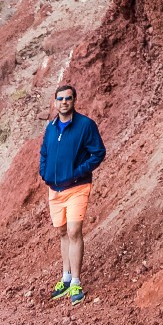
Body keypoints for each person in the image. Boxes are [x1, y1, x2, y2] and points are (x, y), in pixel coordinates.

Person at [38, 82, 105, 304]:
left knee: (75, 231)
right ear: (55, 102)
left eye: (68, 98)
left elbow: (98, 153)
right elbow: (44, 153)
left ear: (74, 100)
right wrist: (45, 173)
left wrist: (78, 172)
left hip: (77, 187)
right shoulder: (51, 127)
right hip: (55, 190)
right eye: (60, 99)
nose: (64, 102)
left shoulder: (86, 125)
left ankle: (76, 282)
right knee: (62, 233)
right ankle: (65, 278)